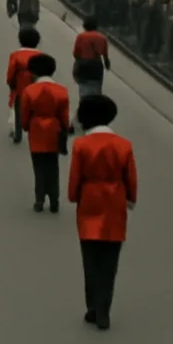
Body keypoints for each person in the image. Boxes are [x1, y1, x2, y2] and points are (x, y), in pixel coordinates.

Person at [68, 93, 137, 331]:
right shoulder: (124, 145)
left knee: (90, 257)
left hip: (90, 200)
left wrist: (73, 195)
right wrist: (130, 198)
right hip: (115, 201)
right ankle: (105, 308)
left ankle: (92, 306)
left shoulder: (81, 145)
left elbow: (76, 177)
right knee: (110, 257)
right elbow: (130, 177)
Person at [20, 52, 70, 213]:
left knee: (39, 166)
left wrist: (26, 126)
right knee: (53, 166)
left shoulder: (29, 91)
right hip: (54, 129)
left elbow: (25, 115)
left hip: (36, 130)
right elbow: (64, 117)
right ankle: (54, 199)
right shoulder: (61, 91)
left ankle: (39, 199)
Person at [6, 27, 41, 143]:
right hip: (36, 87)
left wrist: (11, 83)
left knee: (18, 110)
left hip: (20, 87)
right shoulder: (40, 55)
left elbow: (11, 72)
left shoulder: (16, 55)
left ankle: (17, 134)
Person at [72, 16, 111, 101]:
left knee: (83, 86)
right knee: (96, 87)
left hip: (84, 64)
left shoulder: (81, 37)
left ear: (84, 25)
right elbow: (105, 56)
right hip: (96, 65)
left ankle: (84, 103)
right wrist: (107, 66)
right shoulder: (102, 38)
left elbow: (76, 54)